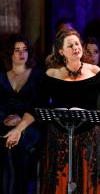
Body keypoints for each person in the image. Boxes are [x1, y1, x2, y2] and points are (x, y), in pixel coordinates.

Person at [4, 28, 100, 194]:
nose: (75, 47)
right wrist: (18, 129)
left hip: (89, 137)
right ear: (61, 51)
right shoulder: (52, 74)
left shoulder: (96, 72)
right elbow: (37, 107)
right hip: (59, 138)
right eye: (70, 45)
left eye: (77, 43)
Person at [0, 34, 43, 194]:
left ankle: (19, 189)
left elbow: (38, 105)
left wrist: (19, 121)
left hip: (30, 125)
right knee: (6, 142)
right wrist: (5, 118)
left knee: (15, 144)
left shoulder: (38, 75)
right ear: (10, 53)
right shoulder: (1, 76)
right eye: (17, 50)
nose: (21, 53)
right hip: (4, 123)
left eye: (24, 50)